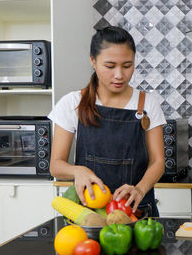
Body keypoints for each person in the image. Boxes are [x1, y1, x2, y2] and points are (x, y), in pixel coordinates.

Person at [49, 26, 166, 216]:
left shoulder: (147, 103)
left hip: (137, 211)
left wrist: (140, 189)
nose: (119, 75)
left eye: (127, 66)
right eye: (110, 66)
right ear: (93, 61)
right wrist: (78, 171)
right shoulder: (72, 103)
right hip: (89, 214)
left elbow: (158, 161)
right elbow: (56, 164)